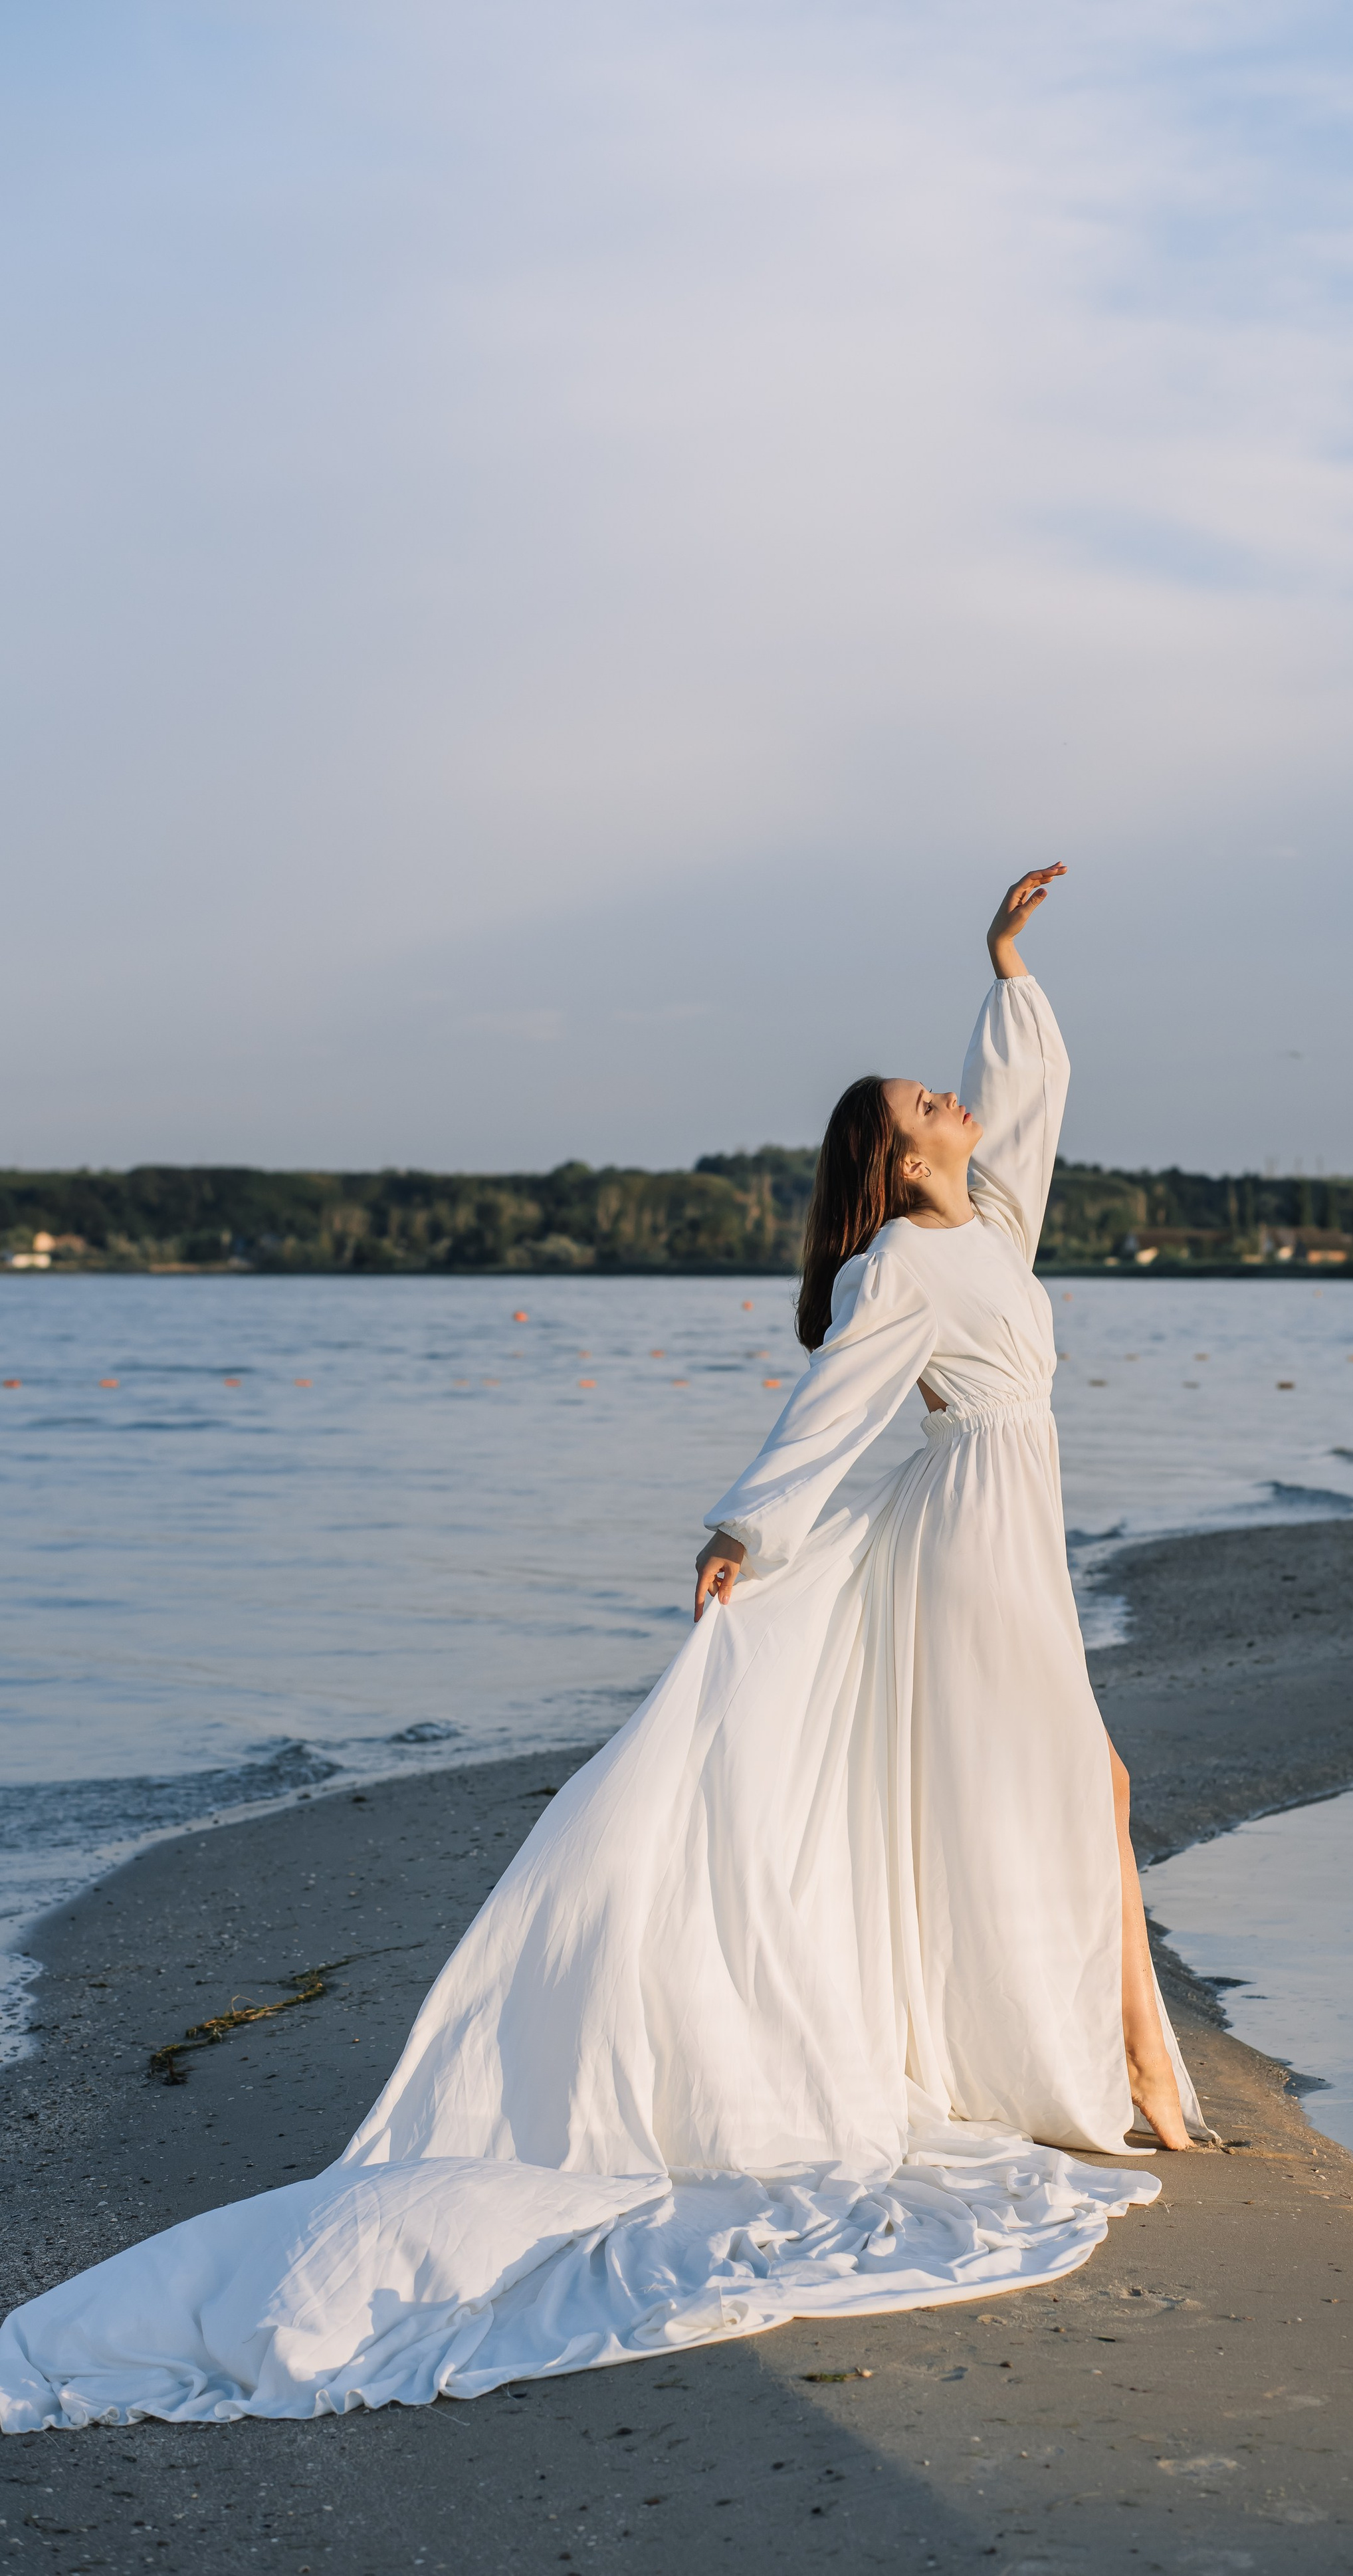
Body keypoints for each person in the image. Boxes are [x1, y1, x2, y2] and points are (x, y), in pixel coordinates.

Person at [0, 869, 1204, 2434]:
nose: (954, 1099)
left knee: (1077, 1788)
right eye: (929, 1100)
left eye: (948, 1090)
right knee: (1077, 1784)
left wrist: (1006, 971)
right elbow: (829, 1414)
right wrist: (746, 1533)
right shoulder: (901, 1271)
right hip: (968, 1546)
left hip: (1007, 1531)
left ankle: (1130, 2081)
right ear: (893, 1156)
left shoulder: (989, 1220)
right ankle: (1139, 2091)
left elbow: (1026, 1102)